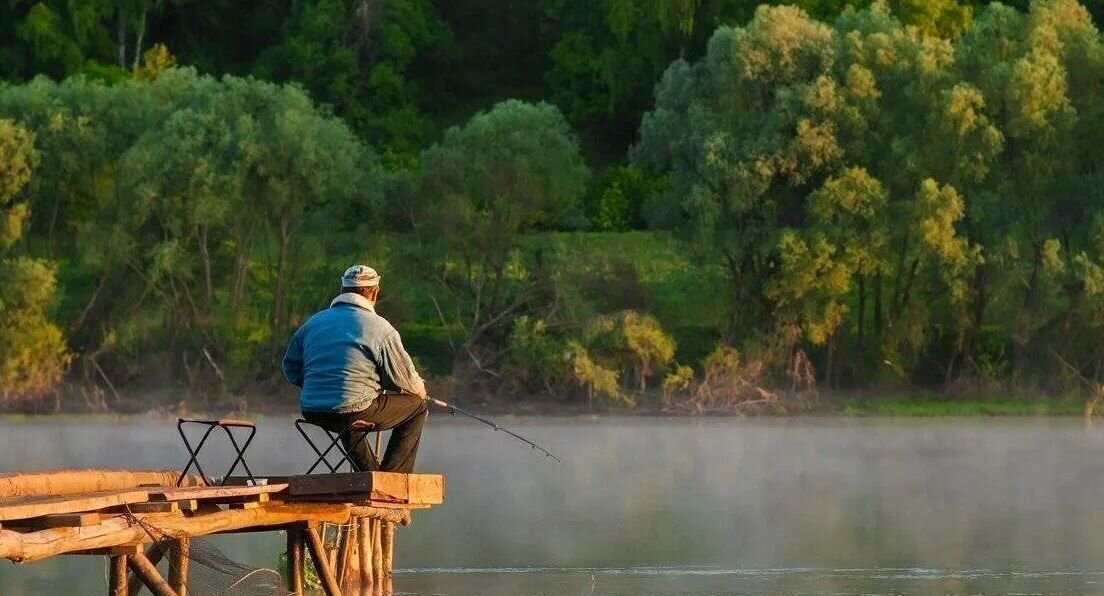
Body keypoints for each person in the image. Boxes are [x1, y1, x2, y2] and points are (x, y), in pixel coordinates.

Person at [282, 265, 429, 473]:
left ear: (342, 290)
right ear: (375, 292)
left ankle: (370, 474)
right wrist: (420, 389)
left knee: (349, 411)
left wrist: (321, 386)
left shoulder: (312, 324)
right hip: (352, 410)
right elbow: (405, 380)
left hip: (312, 410)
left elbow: (290, 369)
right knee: (417, 406)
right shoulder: (380, 327)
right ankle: (393, 478)